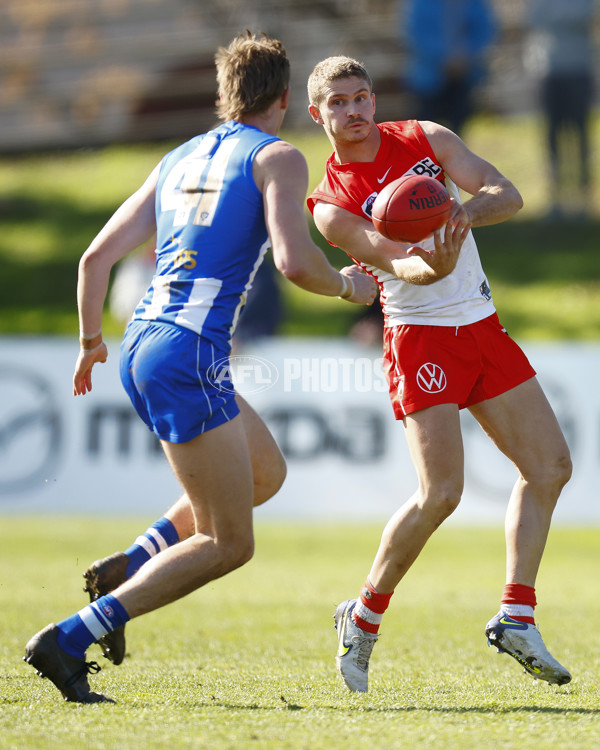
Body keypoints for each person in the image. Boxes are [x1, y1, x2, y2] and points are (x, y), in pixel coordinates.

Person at [22, 32, 378, 704]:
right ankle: (69, 638)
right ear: (282, 97)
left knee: (264, 472)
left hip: (143, 341)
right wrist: (348, 288)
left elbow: (93, 260)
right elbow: (295, 262)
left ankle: (134, 560)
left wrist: (90, 340)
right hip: (188, 353)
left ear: (224, 95)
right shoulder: (276, 156)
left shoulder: (179, 155)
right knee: (228, 542)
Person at [306, 55, 573, 693]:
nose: (353, 110)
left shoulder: (426, 137)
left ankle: (516, 616)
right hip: (420, 339)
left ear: (375, 99)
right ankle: (363, 616)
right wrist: (435, 260)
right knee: (441, 495)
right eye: (338, 102)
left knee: (550, 467)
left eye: (361, 96)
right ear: (317, 114)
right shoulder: (330, 203)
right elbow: (402, 268)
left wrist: (462, 216)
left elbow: (505, 192)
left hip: (481, 324)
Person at [525, 0, 597, 221]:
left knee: (580, 133)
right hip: (549, 71)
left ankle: (583, 196)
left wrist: (557, 17)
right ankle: (555, 196)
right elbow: (535, 19)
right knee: (552, 135)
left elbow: (585, 17)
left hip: (578, 69)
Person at [400, 0, 497, 135]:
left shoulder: (475, 3)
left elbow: (485, 29)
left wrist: (464, 54)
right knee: (425, 130)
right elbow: (415, 34)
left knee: (458, 128)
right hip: (428, 77)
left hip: (464, 74)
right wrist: (445, 57)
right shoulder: (419, 3)